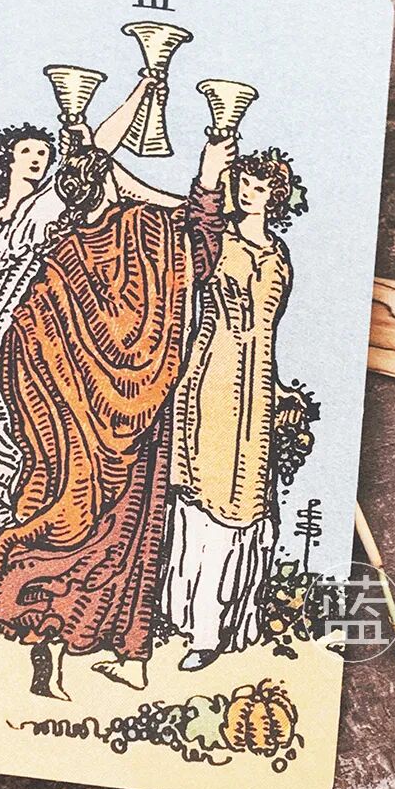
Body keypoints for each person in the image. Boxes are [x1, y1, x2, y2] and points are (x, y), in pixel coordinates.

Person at [0, 134, 233, 699]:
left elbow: (29, 331)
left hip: (71, 436)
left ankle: (58, 650)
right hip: (140, 423)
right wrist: (207, 181)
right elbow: (201, 253)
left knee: (63, 530)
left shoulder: (68, 252)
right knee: (128, 543)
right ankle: (122, 650)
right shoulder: (148, 231)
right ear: (109, 183)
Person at [0, 71, 162, 522]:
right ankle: (12, 518)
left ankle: (25, 518)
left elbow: (100, 149)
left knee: (5, 431)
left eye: (44, 153)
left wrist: (142, 88)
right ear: (6, 159)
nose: (37, 159)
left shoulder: (47, 206)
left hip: (20, 332)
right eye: (28, 152)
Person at [165, 144, 308, 669]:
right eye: (243, 183)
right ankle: (192, 623)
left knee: (242, 507)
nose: (249, 193)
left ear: (276, 196)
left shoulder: (279, 256)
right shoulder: (215, 240)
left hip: (256, 392)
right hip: (208, 378)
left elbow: (268, 332)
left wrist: (280, 390)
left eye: (260, 187)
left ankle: (220, 626)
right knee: (201, 502)